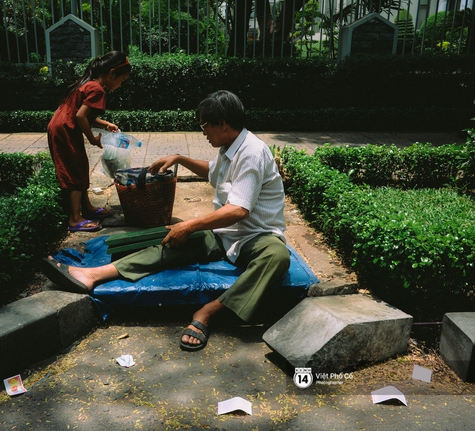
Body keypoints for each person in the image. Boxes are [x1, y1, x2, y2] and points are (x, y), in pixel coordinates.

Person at [42, 90, 290, 351]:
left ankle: (209, 311)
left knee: (277, 257)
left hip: (257, 236)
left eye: (205, 126)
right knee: (171, 241)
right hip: (225, 233)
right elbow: (212, 172)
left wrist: (189, 224)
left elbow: (239, 210)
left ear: (222, 124)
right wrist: (180, 158)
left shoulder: (251, 152)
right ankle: (93, 274)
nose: (204, 132)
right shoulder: (230, 147)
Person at [47, 51, 131, 232]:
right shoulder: (98, 90)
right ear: (111, 73)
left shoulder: (90, 84)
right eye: (122, 80)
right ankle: (75, 219)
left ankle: (87, 208)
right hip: (65, 130)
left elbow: (82, 114)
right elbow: (80, 116)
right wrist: (92, 138)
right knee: (74, 172)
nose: (120, 84)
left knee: (80, 167)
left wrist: (105, 124)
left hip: (62, 127)